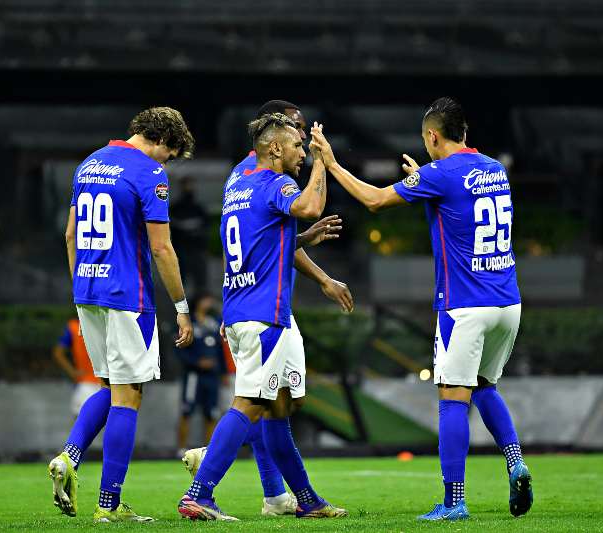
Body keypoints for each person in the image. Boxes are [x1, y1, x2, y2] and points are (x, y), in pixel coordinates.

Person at [316, 97, 532, 521]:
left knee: (453, 398)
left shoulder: (439, 174)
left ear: (432, 137)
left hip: (465, 305)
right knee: (485, 386)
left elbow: (376, 200)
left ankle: (454, 501)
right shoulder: (494, 169)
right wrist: (425, 181)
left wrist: (333, 164)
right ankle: (515, 460)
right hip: (507, 301)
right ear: (464, 133)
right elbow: (461, 205)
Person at [180, 100, 354, 518]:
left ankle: (303, 500)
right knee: (251, 405)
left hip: (244, 306)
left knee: (278, 407)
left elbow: (259, 243)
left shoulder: (240, 180)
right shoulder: (274, 183)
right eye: (298, 141)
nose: (303, 149)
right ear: (275, 146)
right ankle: (201, 488)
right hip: (264, 312)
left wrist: (306, 245)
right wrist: (324, 163)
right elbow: (310, 206)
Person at [47, 106, 195, 523]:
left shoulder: (88, 164)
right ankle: (109, 506)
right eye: (169, 154)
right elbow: (162, 249)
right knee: (129, 395)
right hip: (128, 294)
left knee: (110, 387)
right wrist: (182, 308)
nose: (166, 162)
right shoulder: (149, 173)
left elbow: (70, 234)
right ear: (162, 140)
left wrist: (81, 286)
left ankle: (69, 456)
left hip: (87, 290)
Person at [175, 293, 227, 454]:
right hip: (193, 375)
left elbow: (220, 350)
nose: (209, 302)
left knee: (211, 412)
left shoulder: (214, 323)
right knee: (187, 410)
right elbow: (179, 349)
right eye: (205, 299)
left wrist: (223, 371)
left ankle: (209, 450)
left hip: (212, 376)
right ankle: (181, 448)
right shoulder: (189, 323)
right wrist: (196, 363)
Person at [52, 317, 100, 417]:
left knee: (80, 427)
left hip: (85, 385)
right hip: (110, 385)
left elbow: (58, 353)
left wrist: (72, 372)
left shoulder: (74, 327)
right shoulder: (108, 322)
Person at [170, 176, 209, 291]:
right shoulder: (176, 208)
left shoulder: (198, 208)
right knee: (182, 281)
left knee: (200, 281)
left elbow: (205, 226)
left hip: (197, 248)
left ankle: (198, 303)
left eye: (191, 184)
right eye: (187, 185)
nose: (189, 188)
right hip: (181, 248)